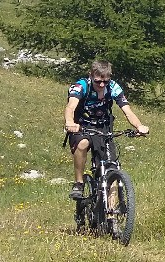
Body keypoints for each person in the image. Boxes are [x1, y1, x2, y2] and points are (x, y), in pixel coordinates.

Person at [63, 60, 149, 200]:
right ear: (90, 75)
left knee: (111, 167)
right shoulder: (81, 86)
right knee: (83, 143)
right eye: (98, 81)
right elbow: (70, 107)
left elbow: (127, 111)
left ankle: (111, 216)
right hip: (81, 125)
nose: (102, 85)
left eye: (106, 81)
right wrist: (69, 122)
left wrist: (139, 126)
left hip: (103, 126)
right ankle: (79, 183)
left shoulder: (113, 87)